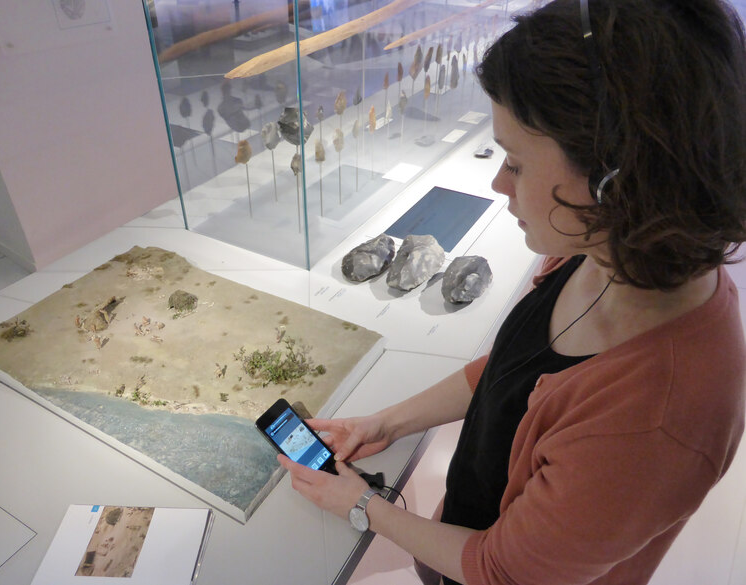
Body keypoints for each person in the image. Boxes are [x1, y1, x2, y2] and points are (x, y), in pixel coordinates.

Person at [279, 0, 746, 583]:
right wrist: (387, 423)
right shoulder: (604, 248)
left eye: (517, 165)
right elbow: (512, 371)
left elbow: (503, 568)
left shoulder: (659, 415)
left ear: (616, 181)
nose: (499, 183)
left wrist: (363, 506)